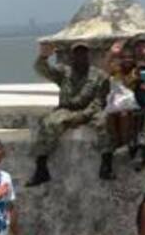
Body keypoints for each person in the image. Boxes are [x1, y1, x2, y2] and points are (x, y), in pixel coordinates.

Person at [31, 40, 112, 185]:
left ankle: (107, 164)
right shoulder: (64, 72)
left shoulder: (100, 76)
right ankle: (41, 168)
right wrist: (43, 57)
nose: (80, 56)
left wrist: (84, 115)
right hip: (66, 109)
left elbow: (99, 101)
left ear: (88, 55)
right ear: (72, 56)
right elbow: (43, 70)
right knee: (48, 123)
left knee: (104, 122)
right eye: (77, 53)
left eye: (83, 53)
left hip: (90, 110)